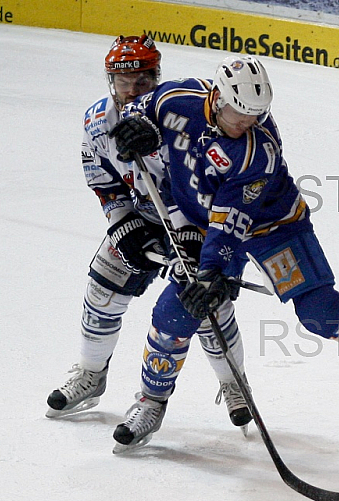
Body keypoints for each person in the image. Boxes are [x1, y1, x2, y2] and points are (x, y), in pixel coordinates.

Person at [106, 55, 339, 449]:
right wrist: (136, 126)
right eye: (240, 114)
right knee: (175, 311)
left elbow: (230, 223)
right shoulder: (175, 99)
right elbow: (139, 108)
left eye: (256, 114)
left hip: (273, 227)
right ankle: (151, 403)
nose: (247, 122)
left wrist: (212, 272)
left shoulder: (258, 151)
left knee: (321, 312)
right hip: (202, 222)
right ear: (217, 98)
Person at [46, 36, 253, 432]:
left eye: (141, 82)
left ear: (156, 77)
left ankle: (233, 382)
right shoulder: (96, 121)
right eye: (122, 83)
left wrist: (190, 237)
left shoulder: (178, 120)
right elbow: (102, 179)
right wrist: (123, 223)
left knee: (206, 306)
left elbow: (194, 186)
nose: (131, 91)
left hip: (199, 222)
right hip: (142, 216)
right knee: (102, 290)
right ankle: (91, 374)